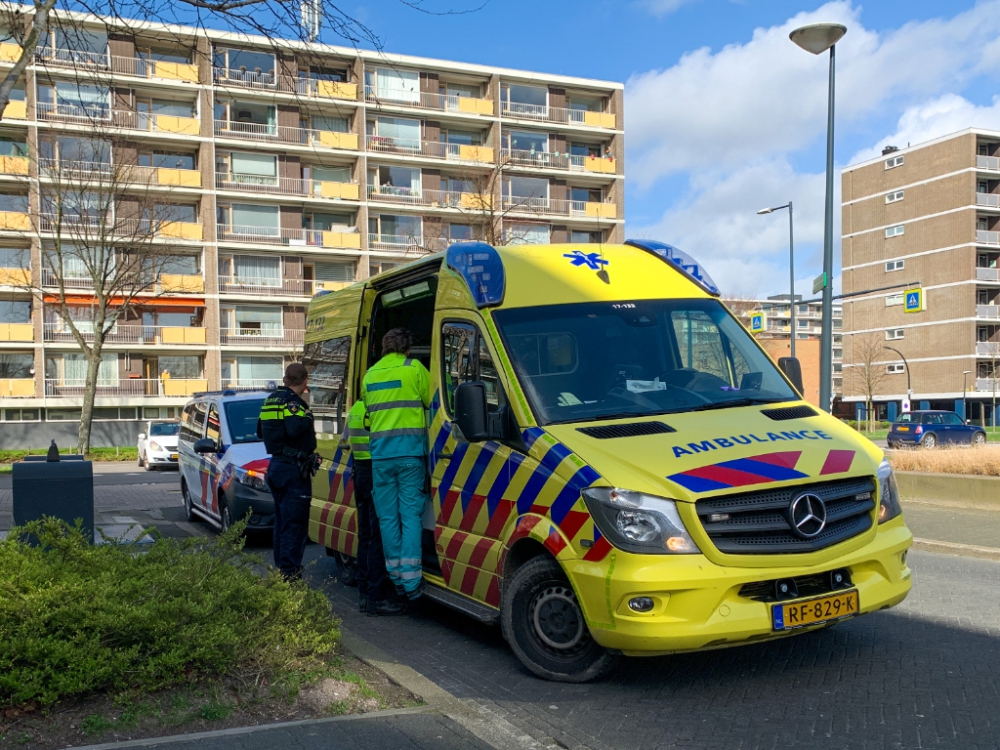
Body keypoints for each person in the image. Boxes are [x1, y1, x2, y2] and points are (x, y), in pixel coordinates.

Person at [362, 328, 431, 602]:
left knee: (388, 519)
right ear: (407, 349)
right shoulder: (414, 369)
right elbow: (434, 400)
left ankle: (396, 578)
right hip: (410, 456)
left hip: (380, 458)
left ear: (382, 349)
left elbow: (368, 410)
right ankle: (412, 581)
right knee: (410, 517)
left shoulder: (370, 375)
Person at [257, 362, 318, 580]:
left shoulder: (269, 400)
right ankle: (290, 572)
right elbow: (294, 429)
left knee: (282, 523)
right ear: (305, 381)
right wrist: (308, 416)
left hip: (276, 466)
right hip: (293, 469)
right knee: (295, 525)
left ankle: (282, 569)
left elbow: (259, 431)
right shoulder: (294, 403)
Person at [344, 397, 404, 616]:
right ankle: (375, 597)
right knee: (377, 536)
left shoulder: (355, 410)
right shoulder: (377, 409)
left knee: (366, 535)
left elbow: (345, 441)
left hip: (360, 473)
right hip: (375, 473)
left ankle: (364, 592)